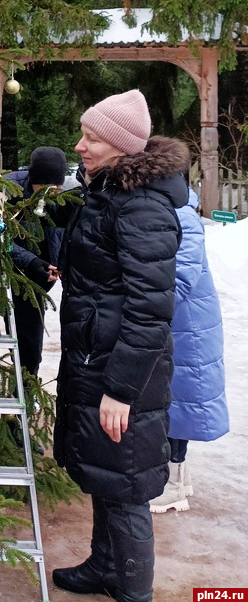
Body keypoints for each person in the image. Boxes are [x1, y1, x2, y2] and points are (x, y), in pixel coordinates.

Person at [52, 89, 187, 602]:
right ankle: (104, 566)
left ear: (121, 146)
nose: (80, 146)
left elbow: (150, 311)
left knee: (127, 486)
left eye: (92, 138)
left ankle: (134, 590)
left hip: (123, 375)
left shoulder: (143, 207)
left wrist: (121, 390)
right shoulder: (108, 193)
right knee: (106, 474)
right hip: (96, 359)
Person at [149, 181, 229, 513]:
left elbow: (181, 277)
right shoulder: (175, 209)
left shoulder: (181, 215)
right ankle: (181, 476)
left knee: (178, 405)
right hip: (181, 322)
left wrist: (142, 303)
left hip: (186, 326)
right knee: (174, 400)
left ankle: (173, 484)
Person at [6, 146, 67, 378]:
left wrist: (58, 264)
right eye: (44, 188)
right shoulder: (8, 189)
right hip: (2, 272)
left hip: (37, 281)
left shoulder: (68, 196)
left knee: (29, 346)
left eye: (57, 189)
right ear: (33, 179)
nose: (50, 194)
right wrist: (30, 261)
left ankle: (24, 397)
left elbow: (64, 235)